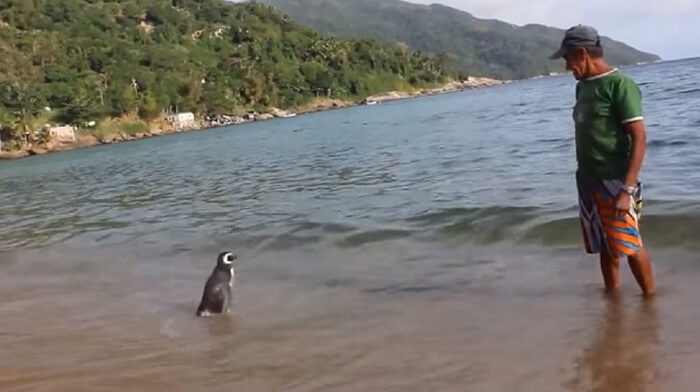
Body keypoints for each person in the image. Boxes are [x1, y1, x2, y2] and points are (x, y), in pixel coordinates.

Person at [550, 25, 655, 296]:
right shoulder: (583, 87)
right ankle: (613, 304)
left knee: (630, 244)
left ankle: (650, 303)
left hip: (615, 180)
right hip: (587, 178)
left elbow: (640, 138)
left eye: (568, 59)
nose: (567, 67)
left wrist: (626, 190)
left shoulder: (620, 85)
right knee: (606, 245)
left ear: (583, 54)